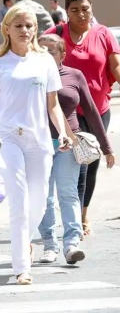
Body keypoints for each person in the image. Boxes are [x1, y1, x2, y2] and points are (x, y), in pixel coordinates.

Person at [0, 4, 72, 286]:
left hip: (40, 139)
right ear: (6, 29)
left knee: (40, 202)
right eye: (18, 25)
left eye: (29, 25)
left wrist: (63, 132)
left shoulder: (44, 62)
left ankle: (25, 242)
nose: (25, 30)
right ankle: (22, 266)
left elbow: (52, 105)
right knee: (18, 201)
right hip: (7, 139)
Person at [43, 0, 120, 238]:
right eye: (74, 9)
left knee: (91, 162)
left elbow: (115, 66)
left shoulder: (103, 34)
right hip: (65, 111)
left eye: (85, 8)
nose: (81, 13)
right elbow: (33, 53)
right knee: (76, 166)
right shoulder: (55, 34)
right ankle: (72, 219)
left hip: (98, 109)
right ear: (67, 12)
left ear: (91, 8)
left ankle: (82, 214)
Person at [37, 34, 113, 266]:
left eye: (51, 51)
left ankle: (71, 245)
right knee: (44, 197)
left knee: (68, 192)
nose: (45, 55)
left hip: (67, 143)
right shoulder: (30, 76)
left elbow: (91, 110)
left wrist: (106, 146)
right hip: (38, 144)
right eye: (41, 50)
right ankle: (49, 245)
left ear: (62, 54)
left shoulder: (74, 75)